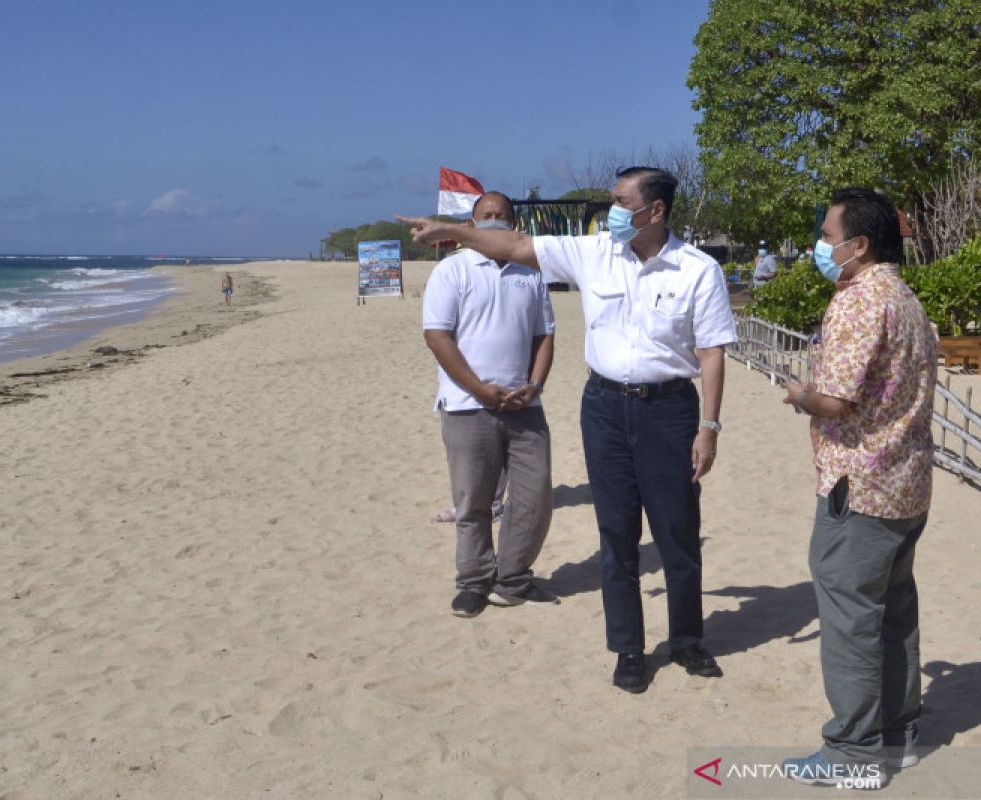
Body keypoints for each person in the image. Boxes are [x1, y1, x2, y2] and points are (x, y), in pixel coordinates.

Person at [401, 166, 737, 690]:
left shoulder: (697, 269)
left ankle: (688, 641)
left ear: (656, 210)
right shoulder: (593, 252)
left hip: (670, 410)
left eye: (622, 202)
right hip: (603, 406)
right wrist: (448, 232)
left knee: (677, 531)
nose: (612, 211)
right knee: (616, 534)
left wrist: (709, 426)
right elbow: (513, 246)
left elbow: (712, 351)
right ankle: (628, 649)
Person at [779, 188, 937, 788]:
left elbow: (837, 401)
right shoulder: (905, 296)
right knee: (893, 609)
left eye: (826, 235)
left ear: (860, 244)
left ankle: (853, 753)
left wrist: (799, 396)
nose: (821, 245)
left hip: (861, 484)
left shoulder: (859, 300)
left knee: (849, 618)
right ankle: (897, 733)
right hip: (906, 482)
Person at [422, 191, 558, 618]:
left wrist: (534, 386)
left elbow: (545, 335)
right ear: (471, 223)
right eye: (486, 215)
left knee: (534, 497)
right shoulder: (452, 270)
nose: (494, 220)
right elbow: (437, 336)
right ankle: (474, 581)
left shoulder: (531, 273)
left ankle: (514, 577)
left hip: (525, 407)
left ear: (515, 225)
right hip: (467, 406)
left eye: (501, 215)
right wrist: (480, 390)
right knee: (474, 502)